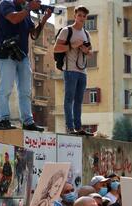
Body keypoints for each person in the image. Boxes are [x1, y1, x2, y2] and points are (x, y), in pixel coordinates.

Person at [0, 0, 49, 131]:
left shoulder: (26, 11)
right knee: (6, 88)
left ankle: (28, 121)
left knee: (25, 91)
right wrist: (29, 8)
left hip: (22, 55)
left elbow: (34, 34)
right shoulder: (6, 4)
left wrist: (44, 19)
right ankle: (3, 119)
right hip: (6, 53)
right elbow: (13, 19)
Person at [54, 5, 93, 135]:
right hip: (70, 70)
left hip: (83, 71)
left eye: (84, 16)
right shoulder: (66, 31)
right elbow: (56, 48)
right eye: (79, 15)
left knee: (79, 101)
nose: (81, 18)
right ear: (75, 16)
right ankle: (69, 127)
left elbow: (90, 53)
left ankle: (78, 127)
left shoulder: (87, 33)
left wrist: (85, 50)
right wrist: (73, 45)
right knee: (69, 99)